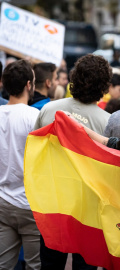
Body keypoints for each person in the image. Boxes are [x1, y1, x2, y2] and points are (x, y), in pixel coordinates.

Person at [34, 53, 112, 270]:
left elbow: (34, 153)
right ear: (104, 86)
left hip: (53, 201)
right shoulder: (107, 122)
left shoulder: (49, 109)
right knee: (84, 265)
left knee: (50, 264)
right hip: (88, 207)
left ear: (74, 78)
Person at [0, 59, 40, 269]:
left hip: (2, 202)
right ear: (28, 84)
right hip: (29, 204)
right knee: (35, 265)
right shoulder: (34, 116)